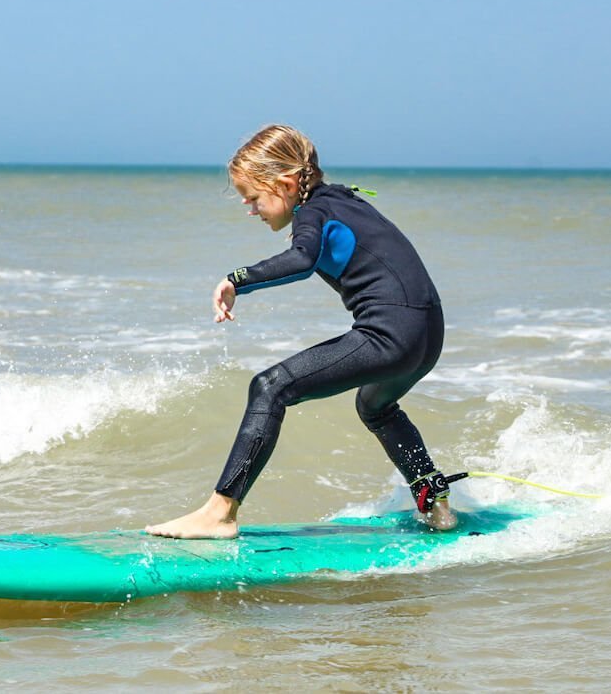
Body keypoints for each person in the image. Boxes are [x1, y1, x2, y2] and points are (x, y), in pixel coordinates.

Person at [145, 124, 456, 539]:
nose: (250, 209)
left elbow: (301, 259)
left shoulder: (314, 212)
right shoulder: (342, 200)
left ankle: (219, 513)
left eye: (254, 198)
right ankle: (436, 504)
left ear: (287, 184)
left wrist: (237, 279)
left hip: (394, 333)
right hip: (427, 334)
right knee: (376, 407)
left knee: (270, 386)